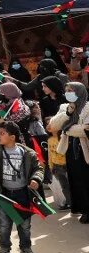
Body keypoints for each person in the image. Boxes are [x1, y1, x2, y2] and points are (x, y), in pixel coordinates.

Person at [0, 122, 44, 253]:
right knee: (4, 225)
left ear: (12, 137)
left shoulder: (27, 153)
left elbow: (39, 168)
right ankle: (4, 250)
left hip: (23, 194)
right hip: (3, 194)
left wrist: (36, 179)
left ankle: (26, 249)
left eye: (2, 133)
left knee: (25, 225)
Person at [53, 81, 89, 223]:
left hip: (84, 149)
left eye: (71, 90)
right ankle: (83, 209)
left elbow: (85, 130)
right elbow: (54, 125)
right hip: (70, 149)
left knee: (86, 180)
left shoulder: (87, 107)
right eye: (66, 90)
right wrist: (68, 113)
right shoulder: (64, 107)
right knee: (76, 180)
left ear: (79, 92)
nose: (68, 93)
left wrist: (67, 129)